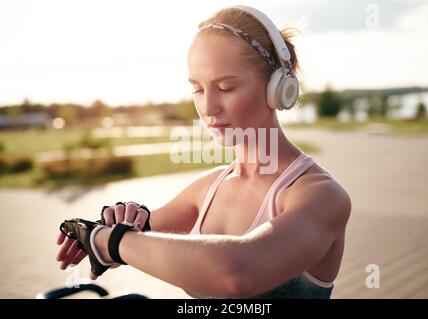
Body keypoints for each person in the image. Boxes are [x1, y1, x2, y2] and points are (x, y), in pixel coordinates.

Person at [56, 5, 351, 299]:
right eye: (197, 89)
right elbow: (142, 233)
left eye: (225, 87)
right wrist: (118, 223)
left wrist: (112, 242)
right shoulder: (208, 188)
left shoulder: (321, 197)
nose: (208, 109)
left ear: (278, 88)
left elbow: (237, 272)